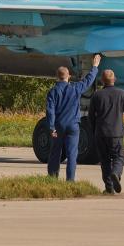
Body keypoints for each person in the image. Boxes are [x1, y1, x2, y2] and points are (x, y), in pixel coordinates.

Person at [46, 54, 101, 182]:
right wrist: (95, 67)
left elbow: (50, 111)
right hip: (73, 126)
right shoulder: (75, 88)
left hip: (58, 126)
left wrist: (51, 127)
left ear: (57, 77)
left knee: (55, 153)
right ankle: (70, 180)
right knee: (72, 155)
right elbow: (88, 81)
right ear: (68, 76)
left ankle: (52, 179)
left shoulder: (52, 92)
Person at [88, 69, 124, 195]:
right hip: (116, 133)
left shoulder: (96, 95)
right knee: (119, 157)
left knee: (104, 160)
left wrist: (94, 131)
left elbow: (90, 117)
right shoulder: (122, 94)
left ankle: (109, 187)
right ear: (114, 80)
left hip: (100, 133)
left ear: (102, 81)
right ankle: (115, 173)